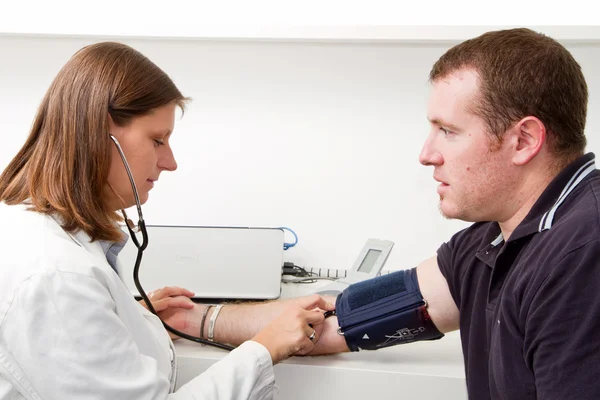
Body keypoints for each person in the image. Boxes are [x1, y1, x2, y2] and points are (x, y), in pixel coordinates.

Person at [149, 27, 600, 399]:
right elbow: (339, 321)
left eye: (448, 131)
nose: (427, 154)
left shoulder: (583, 254)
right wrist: (194, 319)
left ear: (524, 141)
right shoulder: (492, 240)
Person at [0, 42, 335, 399]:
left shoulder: (34, 233)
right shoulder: (56, 278)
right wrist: (265, 349)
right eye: (158, 140)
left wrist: (128, 320)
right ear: (98, 135)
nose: (170, 162)